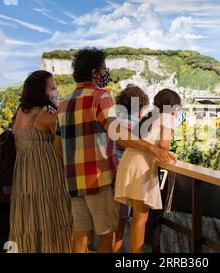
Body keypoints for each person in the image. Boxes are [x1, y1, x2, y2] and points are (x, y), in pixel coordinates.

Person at [56, 47, 176, 253]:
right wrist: (152, 148)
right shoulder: (100, 97)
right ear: (94, 72)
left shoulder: (64, 103)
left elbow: (57, 147)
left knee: (80, 236)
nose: (106, 72)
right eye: (103, 68)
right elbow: (118, 134)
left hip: (73, 179)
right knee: (107, 234)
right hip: (99, 179)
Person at [9, 70, 72, 253]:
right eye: (52, 87)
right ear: (41, 91)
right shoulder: (45, 113)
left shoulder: (20, 111)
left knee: (29, 217)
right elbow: (65, 140)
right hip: (46, 171)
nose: (55, 90)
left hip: (24, 173)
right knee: (52, 215)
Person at [115, 89, 181, 253]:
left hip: (128, 161)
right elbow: (163, 145)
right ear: (173, 108)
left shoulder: (150, 116)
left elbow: (146, 140)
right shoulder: (168, 118)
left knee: (134, 217)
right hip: (141, 165)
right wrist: (167, 149)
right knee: (140, 217)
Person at [113, 84, 150, 253]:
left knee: (116, 222)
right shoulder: (139, 125)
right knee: (130, 218)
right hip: (129, 177)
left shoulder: (115, 122)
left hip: (113, 173)